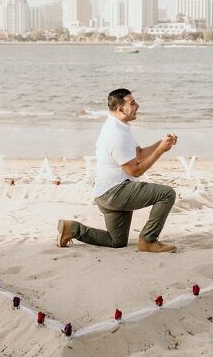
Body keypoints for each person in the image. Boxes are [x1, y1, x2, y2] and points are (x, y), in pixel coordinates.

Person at [56, 88, 179, 253]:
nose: (138, 106)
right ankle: (148, 240)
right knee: (167, 194)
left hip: (107, 193)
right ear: (120, 109)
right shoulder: (115, 134)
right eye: (133, 103)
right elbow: (135, 170)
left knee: (116, 241)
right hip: (115, 193)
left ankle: (72, 229)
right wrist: (160, 151)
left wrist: (162, 143)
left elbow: (140, 153)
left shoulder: (120, 126)